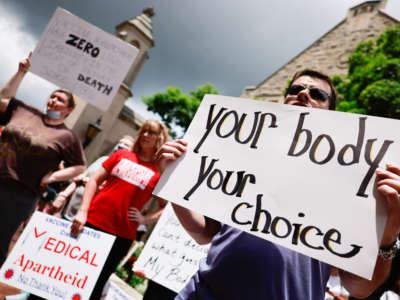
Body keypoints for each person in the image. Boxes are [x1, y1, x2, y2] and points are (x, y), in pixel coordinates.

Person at [156, 69, 400, 300]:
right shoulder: (242, 153)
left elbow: (359, 288)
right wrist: (172, 177)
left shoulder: (353, 184)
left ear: (332, 114)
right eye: (296, 89)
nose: (303, 94)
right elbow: (204, 232)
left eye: (317, 94)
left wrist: (389, 233)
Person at [0, 54, 86, 266]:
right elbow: (2, 100)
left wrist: (53, 176)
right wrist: (21, 72)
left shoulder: (67, 136)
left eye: (60, 100)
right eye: (52, 96)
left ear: (69, 110)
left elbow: (79, 167)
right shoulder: (24, 110)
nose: (53, 101)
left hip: (19, 194)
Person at [70, 120, 169, 300]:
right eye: (144, 131)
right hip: (90, 222)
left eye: (151, 133)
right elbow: (93, 181)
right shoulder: (122, 155)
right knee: (69, 273)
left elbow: (166, 207)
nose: (145, 135)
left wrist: (145, 219)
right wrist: (83, 211)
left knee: (96, 283)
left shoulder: (159, 172)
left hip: (121, 236)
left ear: (159, 139)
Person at [45, 135, 135, 218]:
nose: (120, 145)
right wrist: (63, 196)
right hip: (68, 211)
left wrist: (86, 181)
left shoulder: (124, 170)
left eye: (126, 144)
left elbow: (105, 189)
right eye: (120, 142)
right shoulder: (102, 159)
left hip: (89, 216)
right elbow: (79, 179)